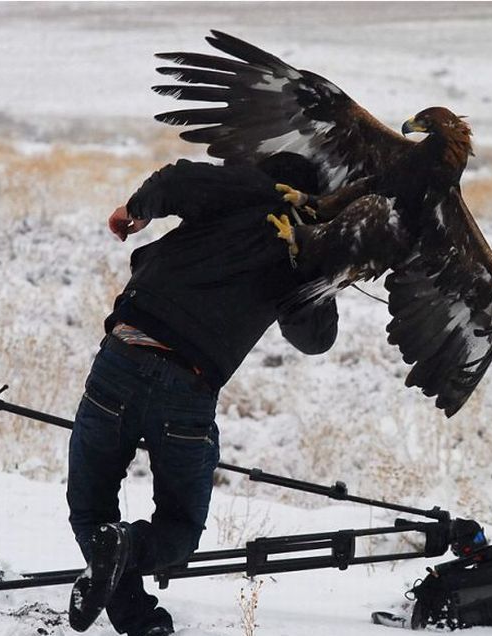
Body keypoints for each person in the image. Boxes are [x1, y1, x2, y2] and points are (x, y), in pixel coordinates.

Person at [66, 153, 339, 636]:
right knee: (179, 530)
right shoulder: (303, 246)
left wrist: (137, 208)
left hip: (121, 359)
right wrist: (315, 266)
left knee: (91, 507)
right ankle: (136, 605)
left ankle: (123, 574)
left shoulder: (245, 189)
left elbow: (176, 179)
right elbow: (315, 339)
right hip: (187, 390)